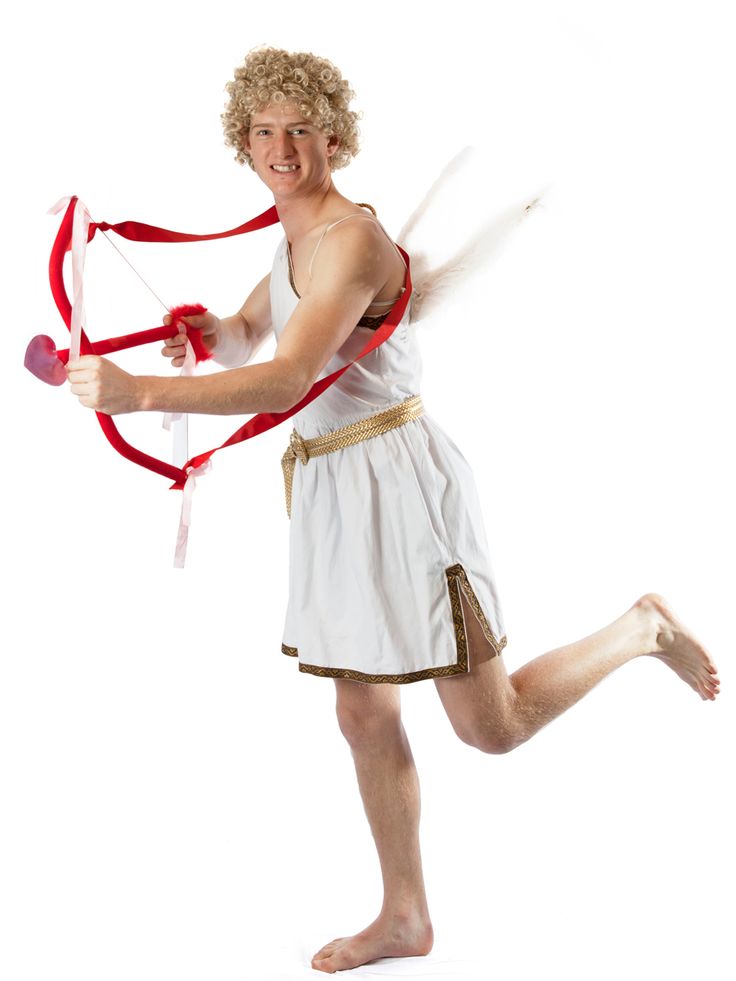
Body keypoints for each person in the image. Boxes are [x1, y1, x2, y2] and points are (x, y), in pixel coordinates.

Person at [65, 45, 721, 975]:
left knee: (491, 727)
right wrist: (210, 333)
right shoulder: (294, 235)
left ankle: (642, 629)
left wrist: (140, 395)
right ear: (242, 140)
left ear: (335, 135)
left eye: (300, 129)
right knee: (364, 714)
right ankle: (406, 916)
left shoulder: (352, 240)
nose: (281, 147)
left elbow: (290, 373)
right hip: (333, 490)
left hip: (402, 490)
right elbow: (259, 335)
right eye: (262, 130)